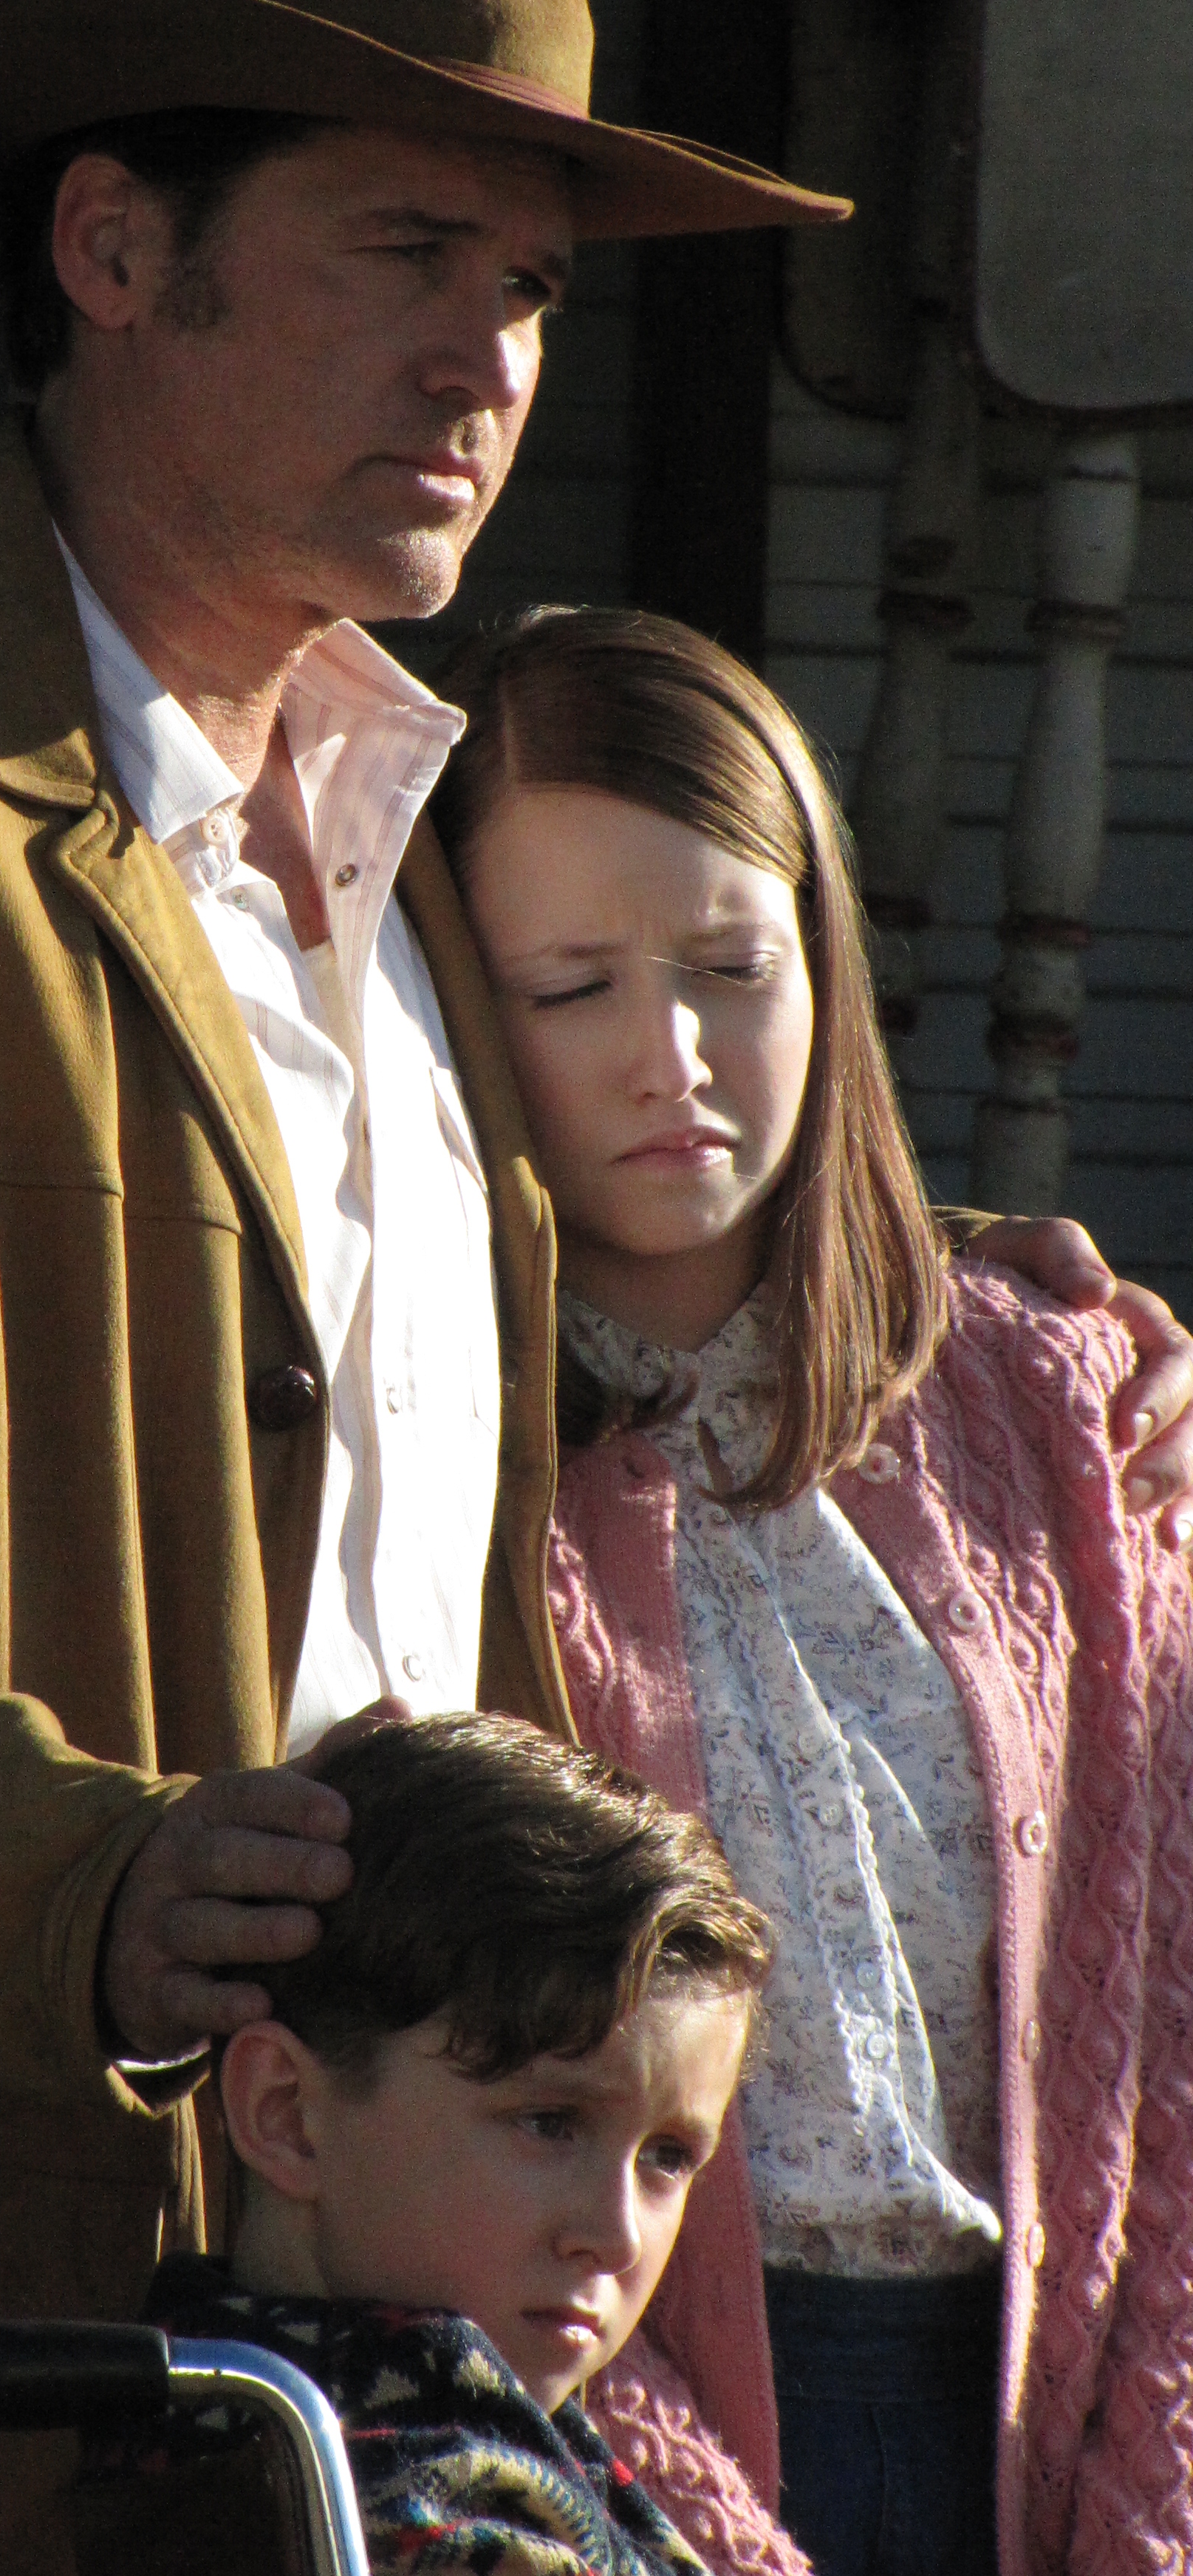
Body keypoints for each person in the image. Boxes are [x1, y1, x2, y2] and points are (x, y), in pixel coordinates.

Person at [0, 0, 1186, 2576]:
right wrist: (94, 1885)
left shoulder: (422, 852)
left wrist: (971, 1322)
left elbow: (627, 1310)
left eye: (535, 288)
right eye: (404, 257)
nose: (491, 362)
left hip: (417, 2395)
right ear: (113, 251)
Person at [428, 606, 1193, 2576]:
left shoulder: (1054, 1401)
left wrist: (1144, 2510)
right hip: (607, 2442)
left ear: (826, 966)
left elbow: (1172, 2036)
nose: (669, 1058)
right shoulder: (429, 1452)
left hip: (1057, 2411)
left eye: (730, 969)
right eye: (572, 984)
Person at [145, 1708, 770, 2576]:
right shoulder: (385, 2513)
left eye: (667, 2156)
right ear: (286, 2112)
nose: (617, 2234)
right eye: (550, 2123)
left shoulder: (210, 2419)